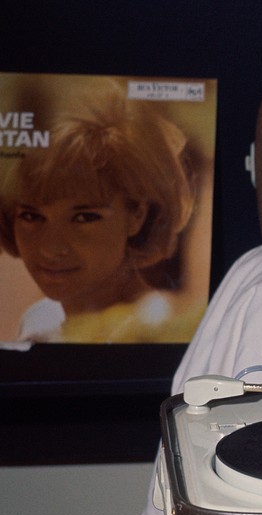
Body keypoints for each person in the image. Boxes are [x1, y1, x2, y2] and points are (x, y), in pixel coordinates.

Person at [0, 81, 206, 343]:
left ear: (137, 214)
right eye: (31, 216)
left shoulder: (158, 326)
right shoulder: (39, 321)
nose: (50, 248)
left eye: (84, 217)